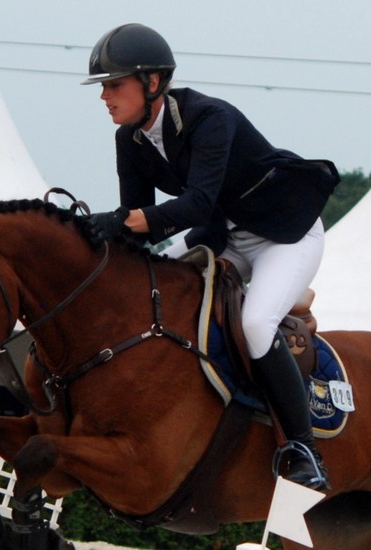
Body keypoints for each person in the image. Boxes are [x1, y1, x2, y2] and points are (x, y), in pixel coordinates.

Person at [80, 23, 340, 491]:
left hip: (285, 234)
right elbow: (138, 231)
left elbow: (192, 205)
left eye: (114, 85)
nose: (105, 97)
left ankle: (304, 450)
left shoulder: (209, 119)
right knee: (157, 289)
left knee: (257, 323)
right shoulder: (129, 140)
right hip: (224, 235)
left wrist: (121, 220)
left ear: (153, 82)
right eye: (104, 87)